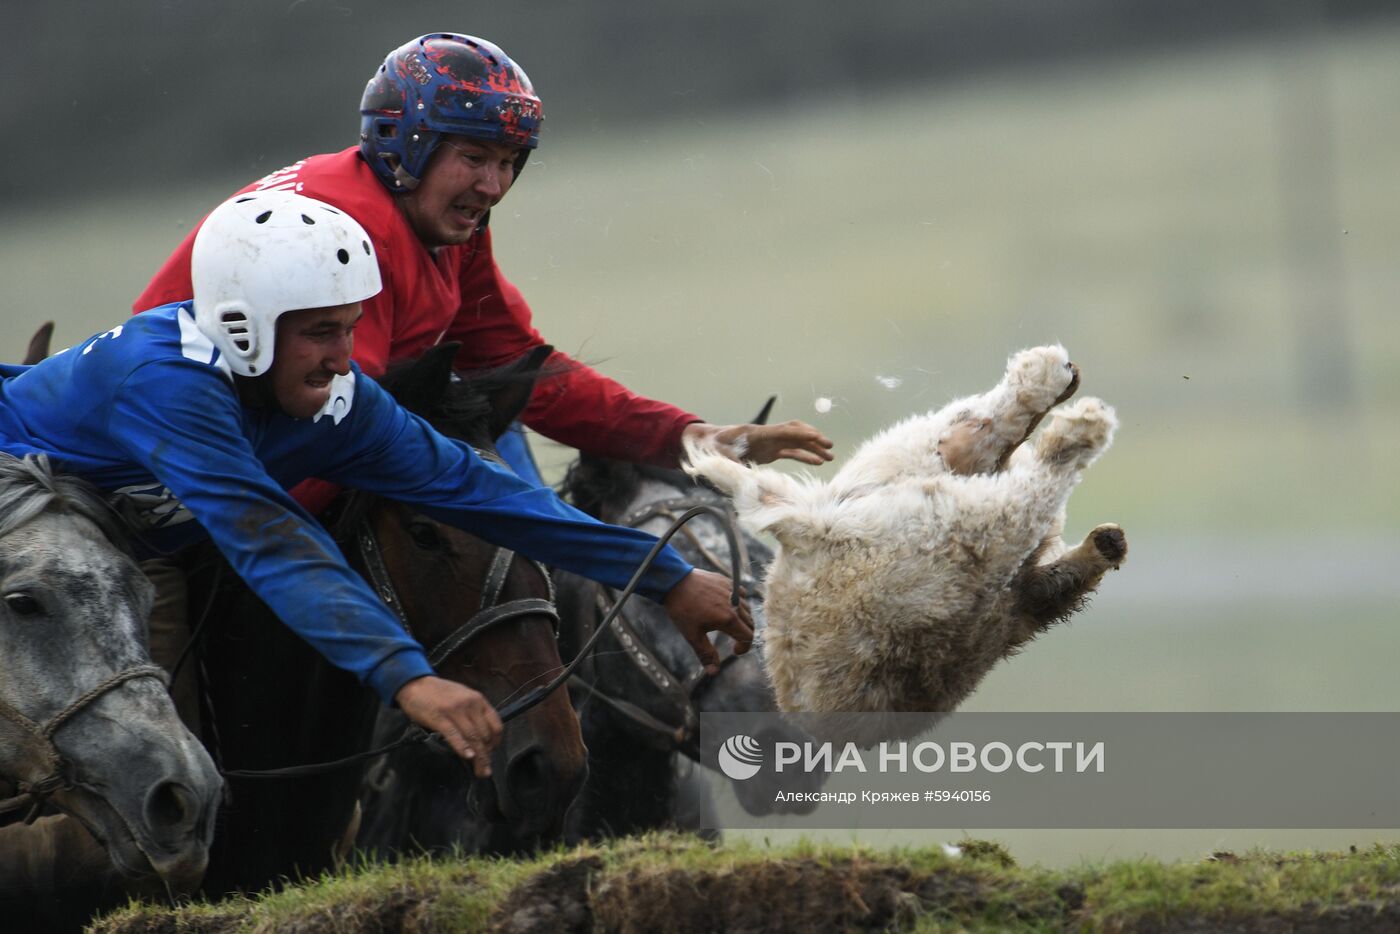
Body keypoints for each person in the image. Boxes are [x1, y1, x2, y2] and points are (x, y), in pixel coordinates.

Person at [0, 188, 752, 776]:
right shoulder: (165, 383)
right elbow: (274, 541)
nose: (343, 356)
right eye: (321, 332)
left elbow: (475, 489)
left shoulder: (337, 401)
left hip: (131, 547)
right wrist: (409, 681)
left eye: (350, 327)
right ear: (241, 327)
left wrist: (665, 576)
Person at [134, 32, 835, 501]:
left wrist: (693, 437)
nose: (494, 187)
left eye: (507, 163)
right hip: (169, 471)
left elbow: (523, 373)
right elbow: (337, 435)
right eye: (473, 158)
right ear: (403, 146)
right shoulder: (351, 234)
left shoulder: (443, 223)